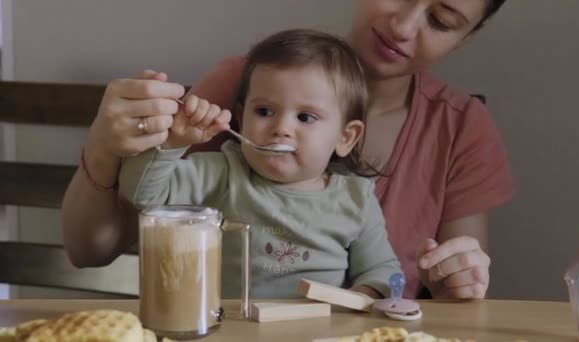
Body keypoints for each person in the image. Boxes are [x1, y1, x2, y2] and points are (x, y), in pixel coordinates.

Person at [62, 0, 513, 299]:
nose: (403, 25)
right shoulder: (231, 146)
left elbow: (418, 280)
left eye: (442, 21)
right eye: (262, 110)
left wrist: (455, 280)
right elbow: (115, 229)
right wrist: (131, 144)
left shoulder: (454, 131)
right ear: (240, 111)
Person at [118, 29, 401, 299]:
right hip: (232, 329)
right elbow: (143, 194)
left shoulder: (356, 199)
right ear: (242, 118)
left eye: (305, 117)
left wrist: (363, 297)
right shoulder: (223, 172)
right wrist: (171, 144)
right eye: (264, 111)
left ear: (345, 137)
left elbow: (383, 272)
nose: (281, 128)